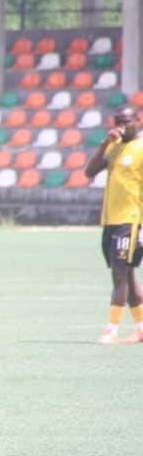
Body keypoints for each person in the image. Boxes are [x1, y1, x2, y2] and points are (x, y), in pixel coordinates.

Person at [84, 106, 143, 344]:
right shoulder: (115, 147)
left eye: (127, 121)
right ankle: (140, 327)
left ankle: (111, 329)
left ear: (138, 121)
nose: (122, 125)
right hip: (111, 219)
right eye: (118, 121)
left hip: (130, 219)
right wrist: (104, 144)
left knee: (120, 274)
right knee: (126, 275)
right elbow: (89, 172)